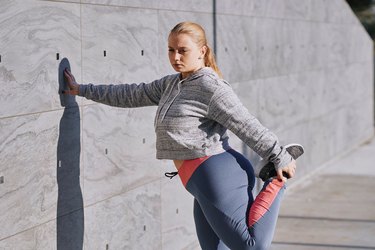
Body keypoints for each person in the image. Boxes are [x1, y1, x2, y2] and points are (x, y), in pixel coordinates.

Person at [64, 21, 300, 250]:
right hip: (199, 181)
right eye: (171, 50)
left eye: (182, 51)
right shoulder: (172, 84)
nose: (175, 57)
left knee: (252, 246)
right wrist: (82, 90)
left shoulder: (211, 87)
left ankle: (275, 180)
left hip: (217, 174)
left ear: (202, 51)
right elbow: (130, 94)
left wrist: (279, 155)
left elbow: (246, 124)